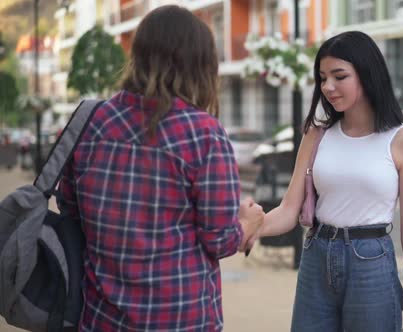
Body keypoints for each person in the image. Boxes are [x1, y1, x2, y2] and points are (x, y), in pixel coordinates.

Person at [57, 5, 264, 331]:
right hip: (178, 316)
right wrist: (248, 223)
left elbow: (71, 208)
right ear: (199, 63)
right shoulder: (203, 133)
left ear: (137, 54)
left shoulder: (91, 123)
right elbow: (220, 240)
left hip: (102, 315)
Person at [249, 31, 403, 331]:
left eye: (339, 76)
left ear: (367, 74)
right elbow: (288, 210)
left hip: (371, 263)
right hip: (316, 256)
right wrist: (251, 228)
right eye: (322, 77)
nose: (328, 87)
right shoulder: (315, 135)